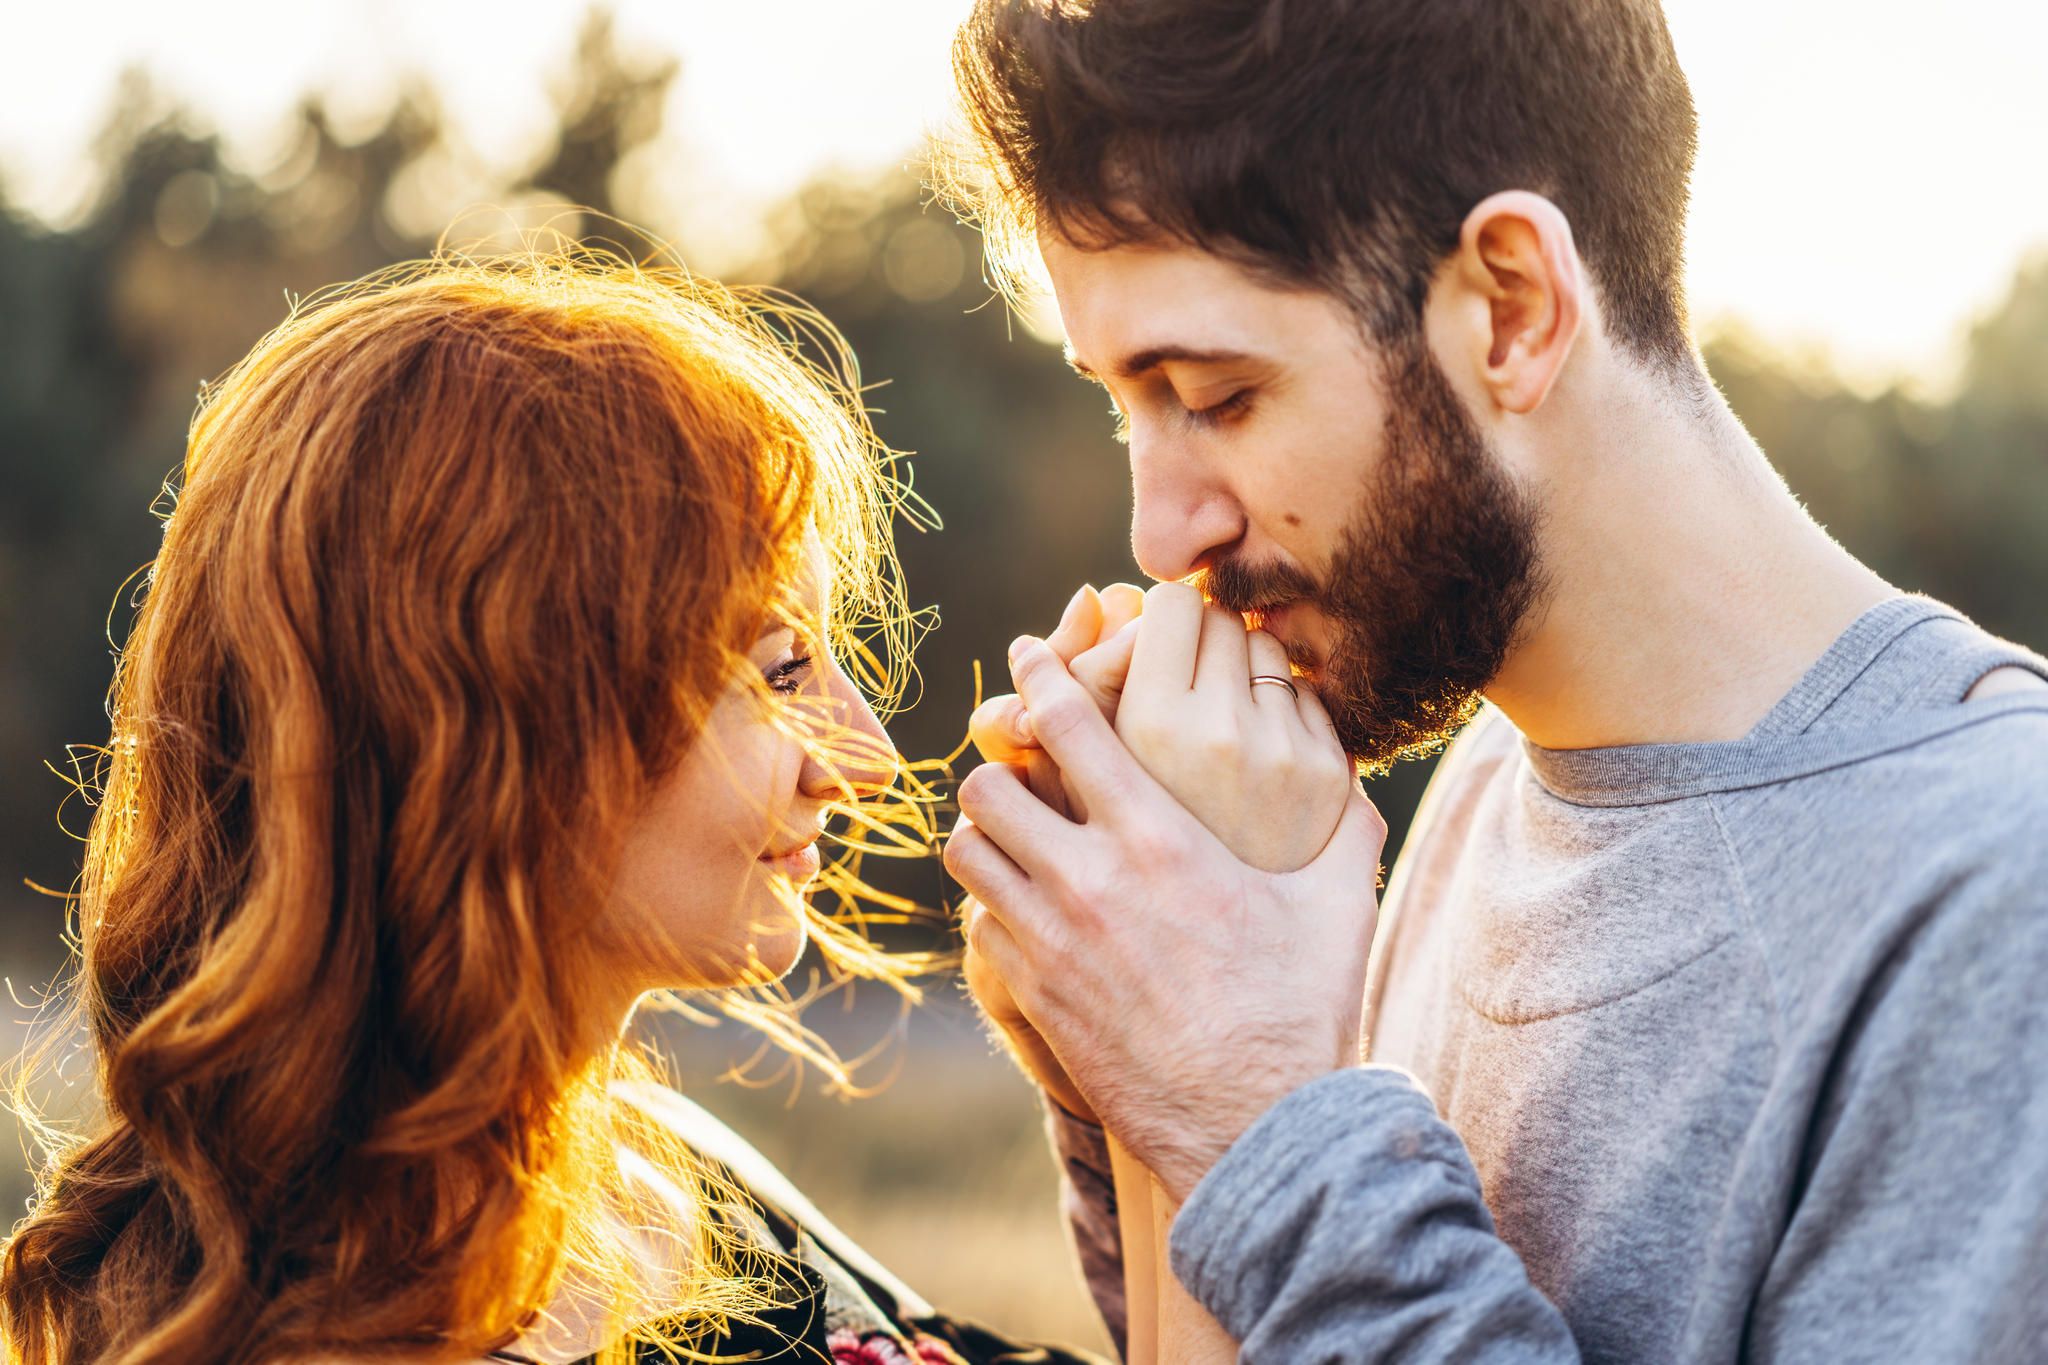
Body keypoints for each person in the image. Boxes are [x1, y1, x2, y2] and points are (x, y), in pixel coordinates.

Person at [938, 1, 2048, 1360]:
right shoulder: (1483, 790)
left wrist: (1249, 1103)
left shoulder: (2004, 892)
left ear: (1513, 308)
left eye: (1217, 397)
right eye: (1127, 404)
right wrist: (1124, 1033)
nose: (1159, 532)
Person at [0, 249, 1101, 1365]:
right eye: (777, 670)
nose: (862, 759)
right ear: (505, 732)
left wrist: (1117, 1076)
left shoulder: (662, 1173)